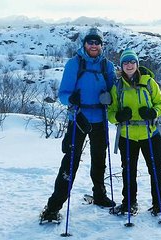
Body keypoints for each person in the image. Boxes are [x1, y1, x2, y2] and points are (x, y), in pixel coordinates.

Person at [40, 27, 117, 222]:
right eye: (90, 42)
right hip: (79, 118)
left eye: (97, 42)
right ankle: (53, 206)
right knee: (70, 161)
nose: (93, 45)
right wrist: (71, 101)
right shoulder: (74, 64)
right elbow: (63, 95)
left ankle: (99, 194)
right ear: (84, 44)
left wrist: (110, 99)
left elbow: (114, 91)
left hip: (99, 118)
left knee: (99, 159)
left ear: (101, 45)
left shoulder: (107, 66)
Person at [108, 49, 161, 216]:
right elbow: (110, 112)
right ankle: (129, 203)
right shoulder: (117, 86)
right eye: (125, 62)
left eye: (132, 62)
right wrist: (118, 117)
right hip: (127, 135)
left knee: (156, 169)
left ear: (137, 64)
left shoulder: (149, 82)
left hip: (150, 133)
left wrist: (153, 113)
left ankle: (159, 204)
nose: (129, 65)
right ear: (122, 66)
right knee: (128, 171)